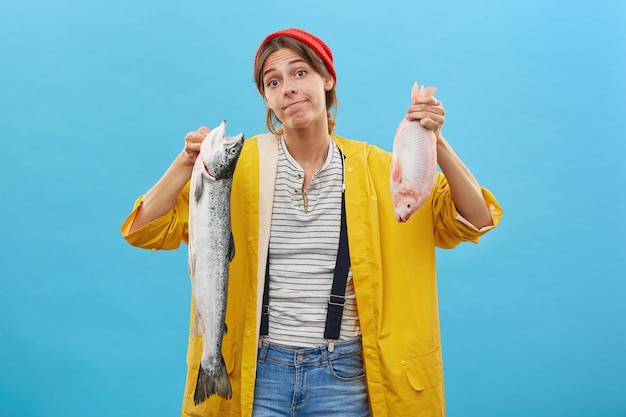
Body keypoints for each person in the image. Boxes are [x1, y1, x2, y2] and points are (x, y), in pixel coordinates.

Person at [120, 28, 502, 417]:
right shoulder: (236, 167)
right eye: (274, 81)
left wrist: (435, 141)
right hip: (258, 371)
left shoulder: (379, 169)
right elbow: (145, 229)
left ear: (328, 78)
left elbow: (475, 218)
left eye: (300, 73)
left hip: (347, 374)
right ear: (266, 97)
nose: (288, 88)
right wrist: (186, 164)